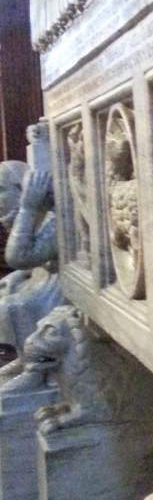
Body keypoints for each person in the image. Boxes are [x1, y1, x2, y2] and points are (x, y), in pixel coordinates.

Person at [0, 161, 63, 388]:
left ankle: (41, 372)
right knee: (6, 289)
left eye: (1, 189)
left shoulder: (56, 220)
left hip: (62, 287)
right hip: (44, 279)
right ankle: (25, 358)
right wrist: (17, 276)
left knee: (14, 306)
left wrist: (28, 207)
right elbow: (30, 262)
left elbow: (18, 256)